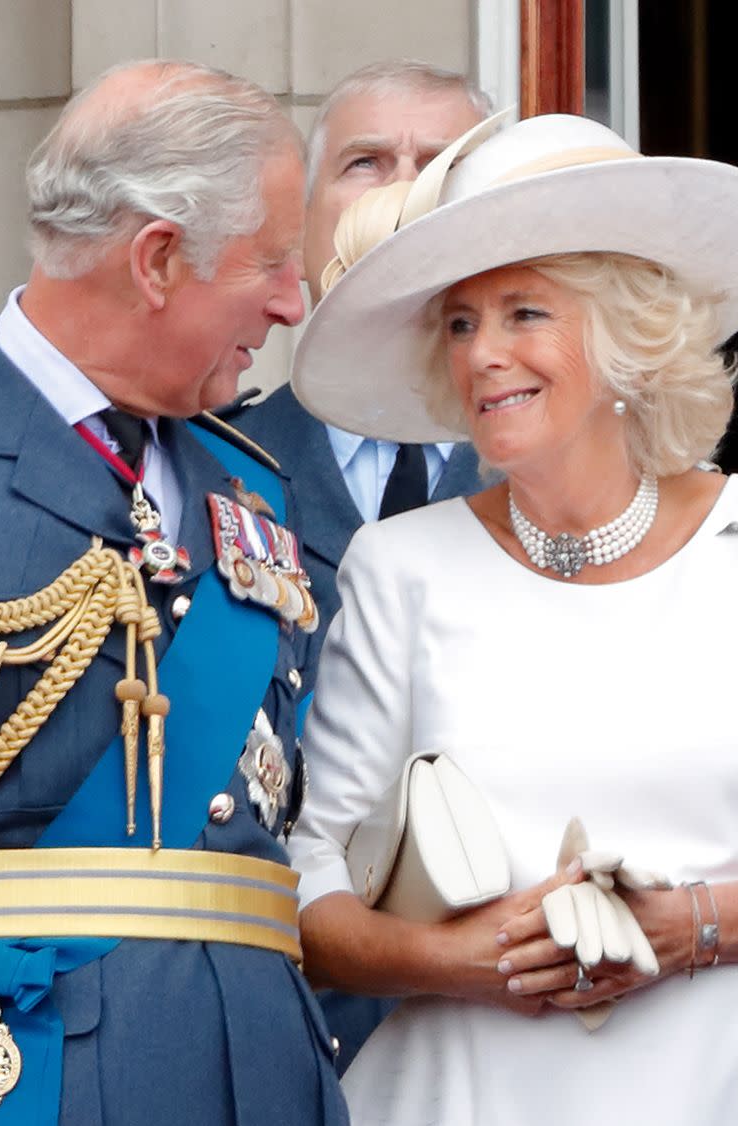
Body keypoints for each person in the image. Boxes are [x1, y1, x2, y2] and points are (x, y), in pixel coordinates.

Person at [287, 111, 738, 1126]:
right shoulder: (399, 566)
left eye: (522, 313)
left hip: (726, 1124)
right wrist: (468, 960)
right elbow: (309, 886)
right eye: (460, 324)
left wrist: (693, 927)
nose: (484, 356)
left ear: (624, 334)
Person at [0, 59, 351, 1126]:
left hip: (263, 1095)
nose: (290, 301)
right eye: (270, 261)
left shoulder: (252, 485)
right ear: (157, 258)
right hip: (19, 1087)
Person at [233, 61, 493, 692]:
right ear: (296, 237)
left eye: (443, 166)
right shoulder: (214, 464)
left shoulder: (566, 470)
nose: (404, 190)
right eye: (366, 162)